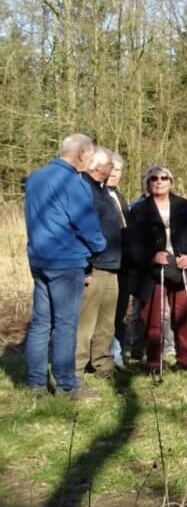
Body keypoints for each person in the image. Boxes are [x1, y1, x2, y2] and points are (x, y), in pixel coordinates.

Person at [24, 134, 106, 398]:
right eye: (90, 155)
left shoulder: (36, 178)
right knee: (65, 324)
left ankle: (36, 384)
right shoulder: (73, 182)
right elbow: (86, 223)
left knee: (40, 324)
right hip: (66, 260)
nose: (90, 160)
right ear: (81, 153)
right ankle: (66, 385)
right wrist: (99, 246)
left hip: (39, 257)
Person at [128, 165, 187, 375]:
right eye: (154, 178)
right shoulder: (139, 209)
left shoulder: (183, 205)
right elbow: (132, 242)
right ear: (147, 183)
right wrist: (151, 255)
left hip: (179, 267)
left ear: (171, 182)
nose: (159, 181)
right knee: (153, 317)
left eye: (164, 178)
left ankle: (186, 359)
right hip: (153, 270)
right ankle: (153, 362)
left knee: (182, 314)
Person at [75, 147, 124, 381]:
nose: (112, 169)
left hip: (112, 266)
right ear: (97, 166)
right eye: (109, 165)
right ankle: (77, 367)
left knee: (106, 321)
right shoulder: (84, 189)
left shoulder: (104, 191)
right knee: (86, 320)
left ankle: (103, 364)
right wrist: (85, 265)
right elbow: (80, 228)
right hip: (94, 266)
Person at [106, 153, 136, 369]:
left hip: (124, 262)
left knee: (120, 311)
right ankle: (108, 356)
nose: (114, 175)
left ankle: (118, 354)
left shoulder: (119, 196)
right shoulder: (96, 195)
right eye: (111, 170)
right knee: (106, 313)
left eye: (118, 171)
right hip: (107, 261)